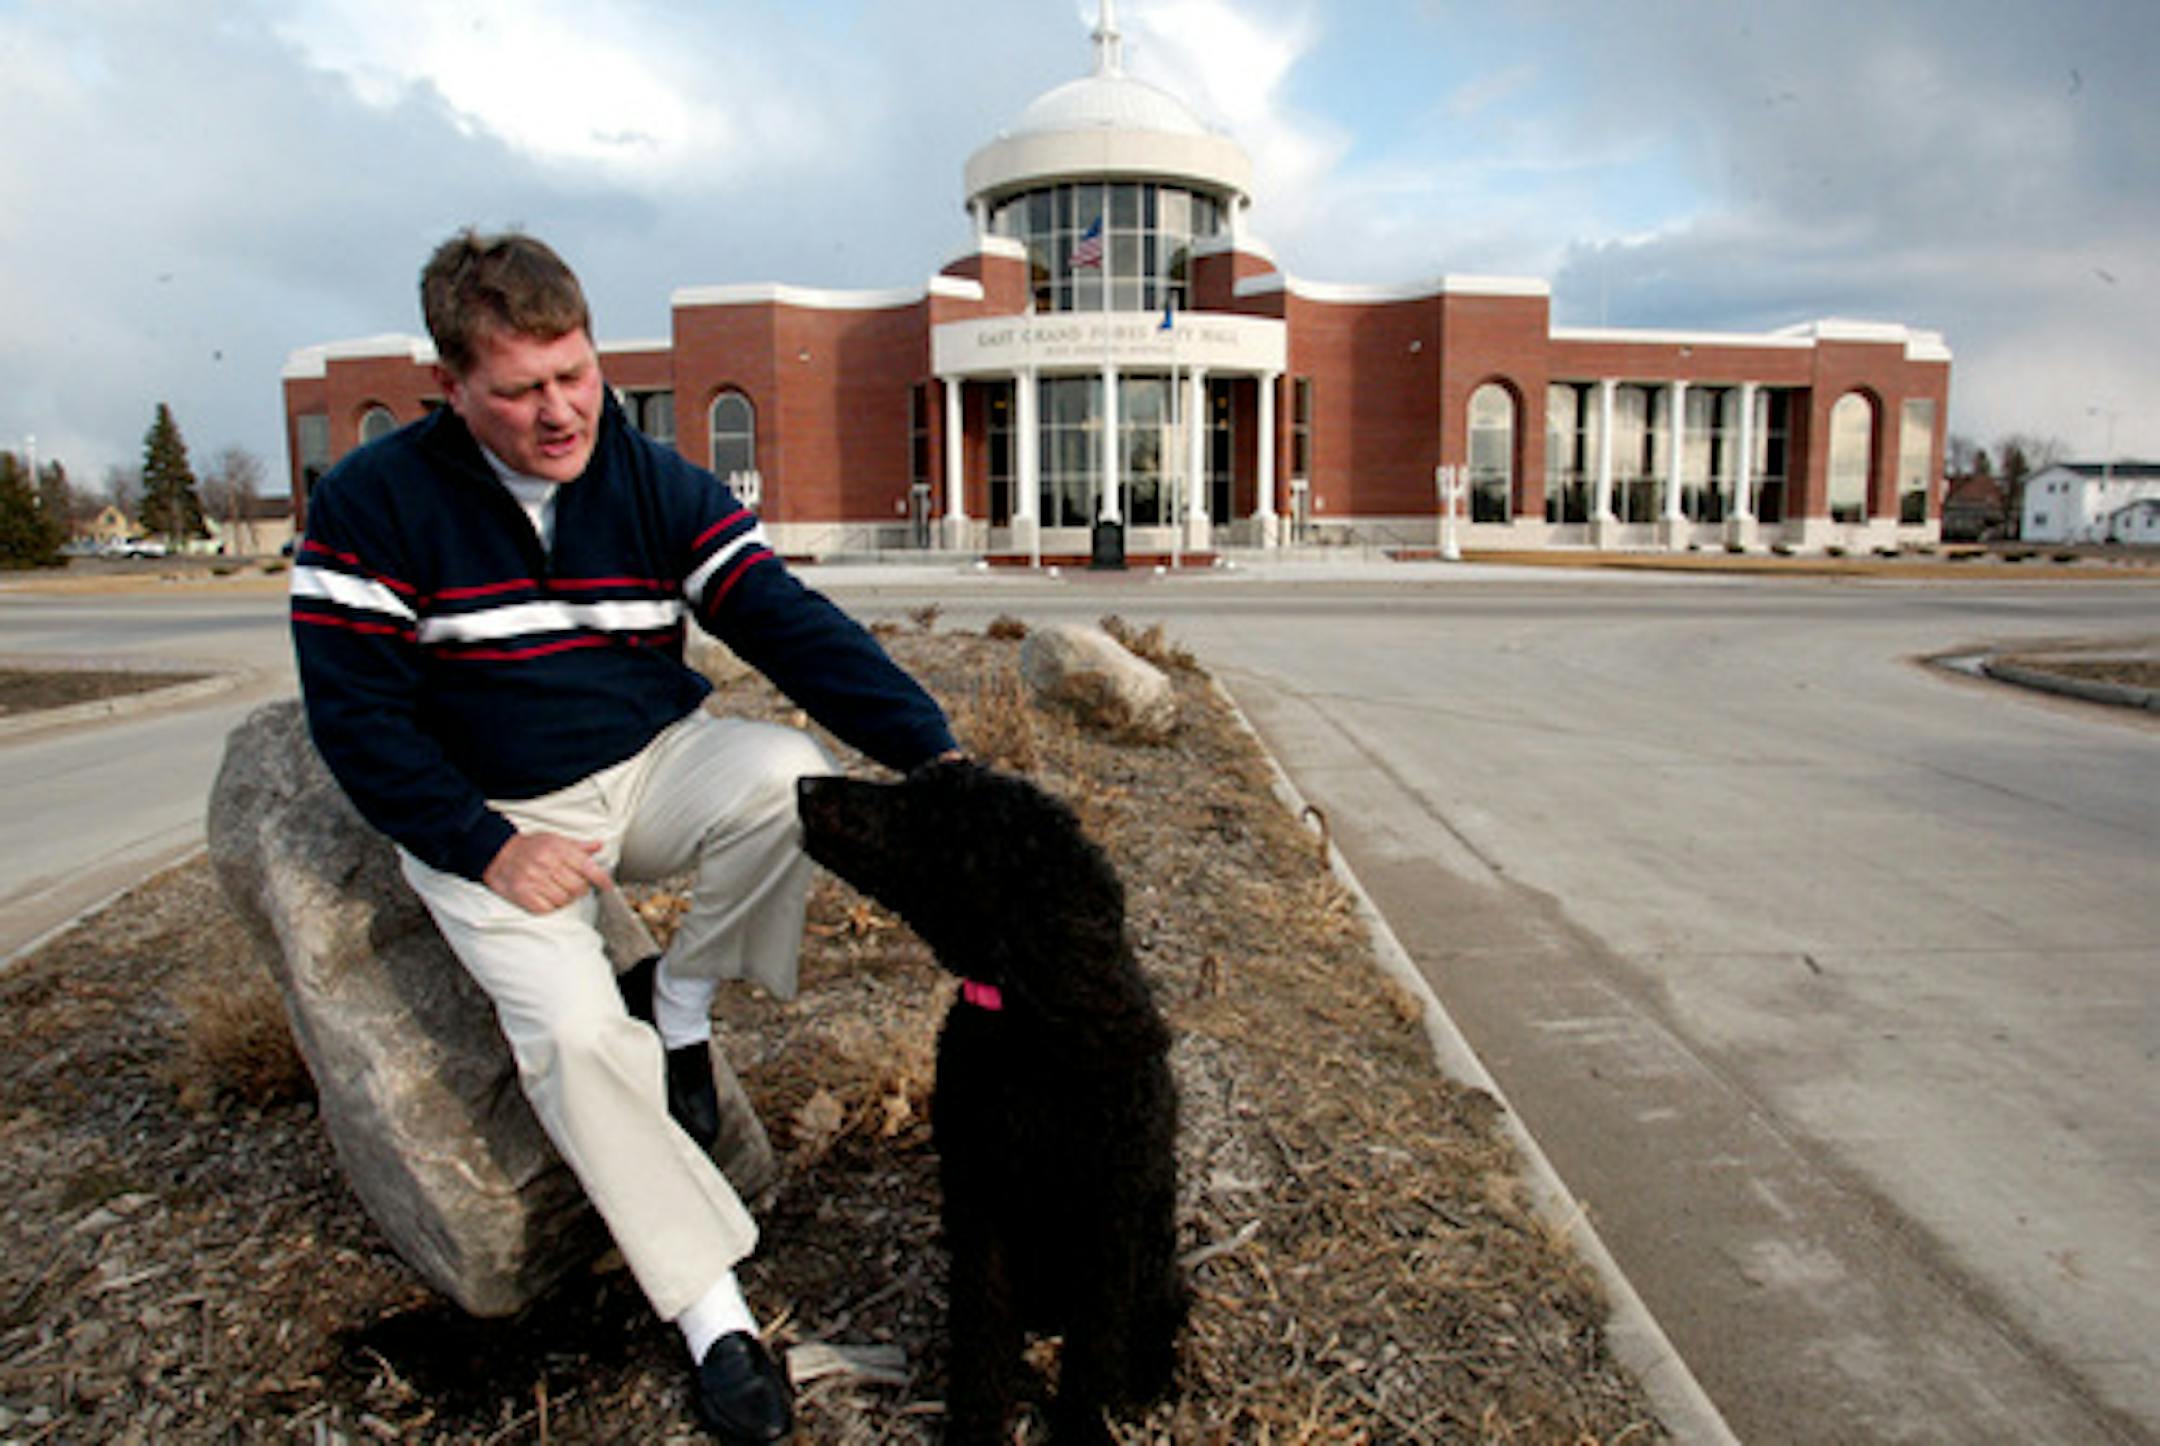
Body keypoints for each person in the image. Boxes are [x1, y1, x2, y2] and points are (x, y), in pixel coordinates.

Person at [290, 228, 959, 1444]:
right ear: (453, 387)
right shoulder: (370, 505)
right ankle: (712, 1315)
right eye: (520, 390)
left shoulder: (650, 480)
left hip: (649, 768)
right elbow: (357, 722)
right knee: (575, 1036)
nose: (560, 413)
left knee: (793, 779)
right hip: (495, 818)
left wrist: (941, 755)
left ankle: (686, 1006)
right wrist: (483, 845)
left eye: (575, 375)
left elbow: (787, 624)